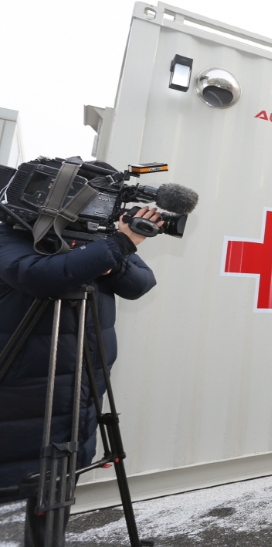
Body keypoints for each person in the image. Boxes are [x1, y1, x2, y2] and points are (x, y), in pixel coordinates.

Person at [0, 195, 159, 546]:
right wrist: (117, 245)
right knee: (18, 472)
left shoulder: (97, 243)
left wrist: (114, 255)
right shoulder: (10, 236)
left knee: (58, 478)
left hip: (79, 386)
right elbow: (40, 275)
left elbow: (140, 284)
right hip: (20, 387)